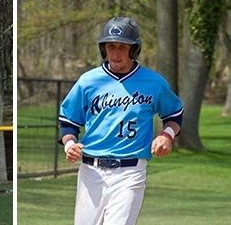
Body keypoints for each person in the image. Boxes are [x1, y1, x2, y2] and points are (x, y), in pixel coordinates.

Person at [58, 16, 183, 225]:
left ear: (134, 50)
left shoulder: (154, 82)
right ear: (103, 49)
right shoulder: (89, 81)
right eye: (110, 46)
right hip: (91, 172)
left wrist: (166, 135)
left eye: (122, 47)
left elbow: (174, 115)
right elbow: (68, 120)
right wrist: (69, 144)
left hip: (130, 172)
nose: (115, 53)